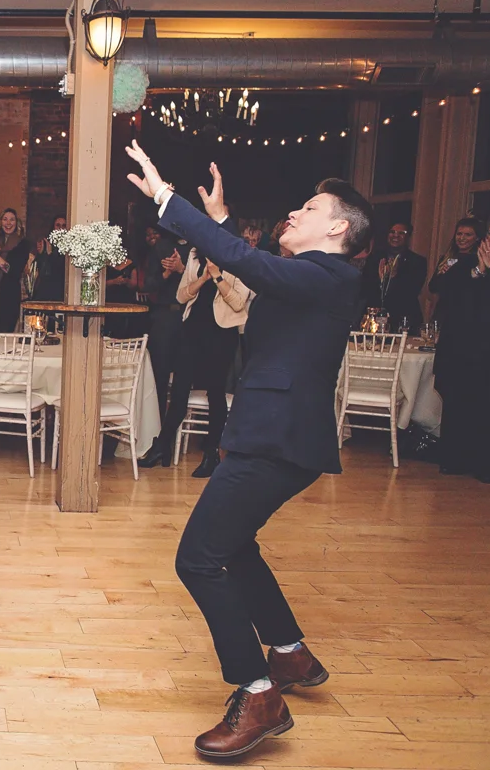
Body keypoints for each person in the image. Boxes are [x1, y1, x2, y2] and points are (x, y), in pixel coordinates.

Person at [126, 141, 371, 759]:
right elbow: (257, 260)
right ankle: (287, 653)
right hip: (276, 434)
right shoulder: (315, 277)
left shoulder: (330, 275)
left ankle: (258, 693)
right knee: (235, 546)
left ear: (337, 227)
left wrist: (168, 200)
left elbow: (252, 266)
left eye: (309, 208)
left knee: (198, 559)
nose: (294, 213)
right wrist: (221, 221)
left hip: (275, 438)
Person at [139, 232, 252, 478]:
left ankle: (212, 453)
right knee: (179, 389)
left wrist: (218, 277)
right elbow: (181, 295)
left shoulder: (238, 261)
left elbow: (238, 303)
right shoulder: (194, 255)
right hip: (192, 330)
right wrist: (202, 279)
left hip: (221, 333)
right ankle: (162, 445)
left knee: (215, 391)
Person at [434, 213, 490, 484]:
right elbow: (447, 292)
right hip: (465, 350)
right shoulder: (467, 260)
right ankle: (456, 459)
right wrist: (479, 270)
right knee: (462, 404)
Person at [142, 223, 187, 419]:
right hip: (164, 316)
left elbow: (206, 281)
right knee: (159, 374)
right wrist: (167, 273)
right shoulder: (161, 247)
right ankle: (157, 427)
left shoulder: (198, 247)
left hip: (189, 318)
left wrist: (182, 269)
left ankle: (176, 426)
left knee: (185, 376)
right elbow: (148, 285)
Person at [363, 222, 427, 332]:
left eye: (401, 233)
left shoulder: (417, 261)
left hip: (404, 319)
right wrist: (380, 279)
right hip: (375, 319)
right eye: (392, 232)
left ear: (408, 236)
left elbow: (413, 290)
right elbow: (365, 287)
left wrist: (394, 277)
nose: (395, 235)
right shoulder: (374, 258)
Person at [427, 216, 481, 322]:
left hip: (465, 315)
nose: (462, 238)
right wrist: (442, 274)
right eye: (459, 234)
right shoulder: (448, 258)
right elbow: (432, 287)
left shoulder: (477, 260)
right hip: (442, 313)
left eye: (468, 235)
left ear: (477, 238)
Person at [26, 215, 66, 302]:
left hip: (60, 290)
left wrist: (50, 254)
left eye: (64, 226)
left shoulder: (69, 246)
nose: (60, 228)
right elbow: (39, 268)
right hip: (45, 289)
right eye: (58, 225)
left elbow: (61, 269)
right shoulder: (46, 243)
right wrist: (41, 254)